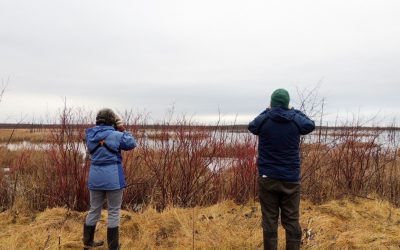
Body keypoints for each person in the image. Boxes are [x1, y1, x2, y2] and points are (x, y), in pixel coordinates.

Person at [248, 89, 315, 250]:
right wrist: (293, 111)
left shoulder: (265, 120)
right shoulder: (295, 120)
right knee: (291, 221)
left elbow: (252, 126)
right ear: (287, 104)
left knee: (269, 221)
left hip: (268, 178)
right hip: (290, 180)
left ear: (271, 103)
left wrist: (268, 110)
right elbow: (309, 125)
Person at [83, 108, 137, 250]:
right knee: (113, 211)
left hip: (94, 178)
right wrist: (121, 127)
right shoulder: (116, 135)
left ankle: (87, 243)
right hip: (113, 178)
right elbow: (131, 143)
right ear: (112, 120)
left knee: (94, 209)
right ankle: (113, 247)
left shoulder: (89, 135)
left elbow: (90, 150)